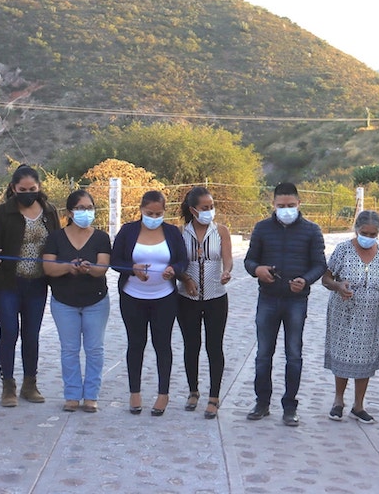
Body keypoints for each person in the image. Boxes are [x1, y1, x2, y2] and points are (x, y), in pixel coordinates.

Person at [244, 182, 326, 426]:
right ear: (273, 205)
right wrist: (258, 270)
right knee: (263, 355)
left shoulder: (312, 231)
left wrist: (306, 280)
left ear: (299, 204)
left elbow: (320, 264)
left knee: (293, 355)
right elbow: (249, 261)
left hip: (296, 302)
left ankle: (290, 406)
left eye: (291, 205)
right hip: (268, 298)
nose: (286, 210)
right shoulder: (262, 228)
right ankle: (262, 403)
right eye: (281, 206)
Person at [0, 165, 61, 407]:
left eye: (32, 189)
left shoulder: (49, 212)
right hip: (6, 283)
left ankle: (30, 384)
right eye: (22, 189)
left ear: (39, 188)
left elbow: (57, 243)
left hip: (37, 283)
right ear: (13, 189)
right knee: (9, 332)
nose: (28, 193)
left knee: (31, 334)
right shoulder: (2, 213)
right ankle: (8, 385)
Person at [111, 190, 188, 416]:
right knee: (135, 344)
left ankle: (163, 394)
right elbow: (116, 260)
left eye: (158, 213)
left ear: (165, 211)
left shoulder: (173, 232)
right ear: (141, 210)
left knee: (162, 344)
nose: (154, 217)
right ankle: (134, 392)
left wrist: (174, 269)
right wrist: (132, 269)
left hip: (164, 297)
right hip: (132, 296)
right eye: (149, 213)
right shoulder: (128, 231)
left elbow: (182, 259)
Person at [42, 190, 111, 413]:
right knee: (69, 349)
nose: (86, 212)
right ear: (70, 212)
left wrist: (89, 269)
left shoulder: (101, 237)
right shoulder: (55, 238)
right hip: (64, 301)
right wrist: (68, 267)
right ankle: (72, 395)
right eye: (80, 208)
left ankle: (91, 395)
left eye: (89, 208)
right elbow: (49, 268)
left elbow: (102, 268)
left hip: (96, 302)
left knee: (94, 349)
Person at [322, 210, 379, 424]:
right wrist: (337, 286)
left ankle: (359, 405)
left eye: (373, 234)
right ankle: (338, 401)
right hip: (343, 312)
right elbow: (326, 278)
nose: (368, 237)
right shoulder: (343, 249)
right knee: (343, 355)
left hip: (371, 315)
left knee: (365, 359)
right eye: (364, 233)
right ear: (356, 229)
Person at [176, 186, 233, 419]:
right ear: (193, 210)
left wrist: (227, 272)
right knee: (191, 345)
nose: (210, 211)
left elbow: (227, 260)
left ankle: (214, 396)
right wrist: (185, 279)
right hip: (187, 298)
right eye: (205, 208)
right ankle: (193, 391)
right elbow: (177, 263)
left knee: (214, 346)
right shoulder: (180, 233)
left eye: (212, 207)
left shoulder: (221, 231)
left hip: (216, 296)